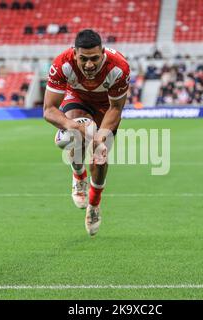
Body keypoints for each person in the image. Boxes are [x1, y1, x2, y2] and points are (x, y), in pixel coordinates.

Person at [43, 29, 130, 236]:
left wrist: (102, 135)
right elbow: (49, 110)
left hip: (106, 107)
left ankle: (94, 204)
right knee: (75, 134)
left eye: (94, 59)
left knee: (100, 155)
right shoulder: (62, 64)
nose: (89, 65)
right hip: (78, 99)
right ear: (74, 54)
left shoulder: (119, 67)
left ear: (103, 53)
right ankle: (78, 174)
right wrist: (71, 125)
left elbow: (116, 108)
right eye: (83, 59)